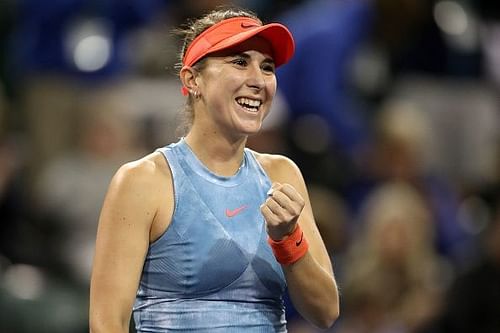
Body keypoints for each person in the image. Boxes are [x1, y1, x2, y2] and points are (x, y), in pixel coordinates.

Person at [89, 7, 339, 333]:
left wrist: (289, 240)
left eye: (267, 67)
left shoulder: (282, 174)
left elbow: (326, 311)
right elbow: (107, 322)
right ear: (193, 80)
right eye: (239, 62)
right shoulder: (143, 181)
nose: (258, 80)